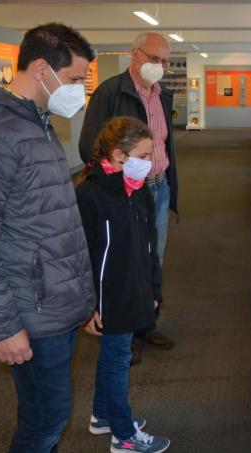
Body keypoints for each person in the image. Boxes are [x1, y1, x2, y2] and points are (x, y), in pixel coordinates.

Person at [0, 23, 97, 453]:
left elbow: (54, 224)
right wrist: (2, 326)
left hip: (53, 306)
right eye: (72, 80)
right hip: (28, 314)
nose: (77, 91)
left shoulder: (36, 123)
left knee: (49, 416)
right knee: (44, 423)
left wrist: (80, 302)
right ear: (43, 68)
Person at [75, 116, 171, 453]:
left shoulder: (138, 190)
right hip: (107, 297)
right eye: (143, 156)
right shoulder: (91, 194)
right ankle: (123, 435)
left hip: (135, 290)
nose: (149, 163)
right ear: (118, 155)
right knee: (118, 360)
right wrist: (88, 306)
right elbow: (80, 255)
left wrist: (154, 291)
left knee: (112, 356)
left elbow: (149, 247)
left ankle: (102, 416)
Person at [80, 32, 177, 362]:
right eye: (154, 59)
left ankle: (145, 323)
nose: (160, 66)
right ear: (135, 55)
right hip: (122, 193)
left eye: (165, 61)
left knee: (151, 255)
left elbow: (164, 146)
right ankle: (122, 329)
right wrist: (118, 182)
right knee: (119, 261)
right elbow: (89, 147)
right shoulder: (110, 92)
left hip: (156, 189)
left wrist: (167, 183)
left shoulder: (163, 96)